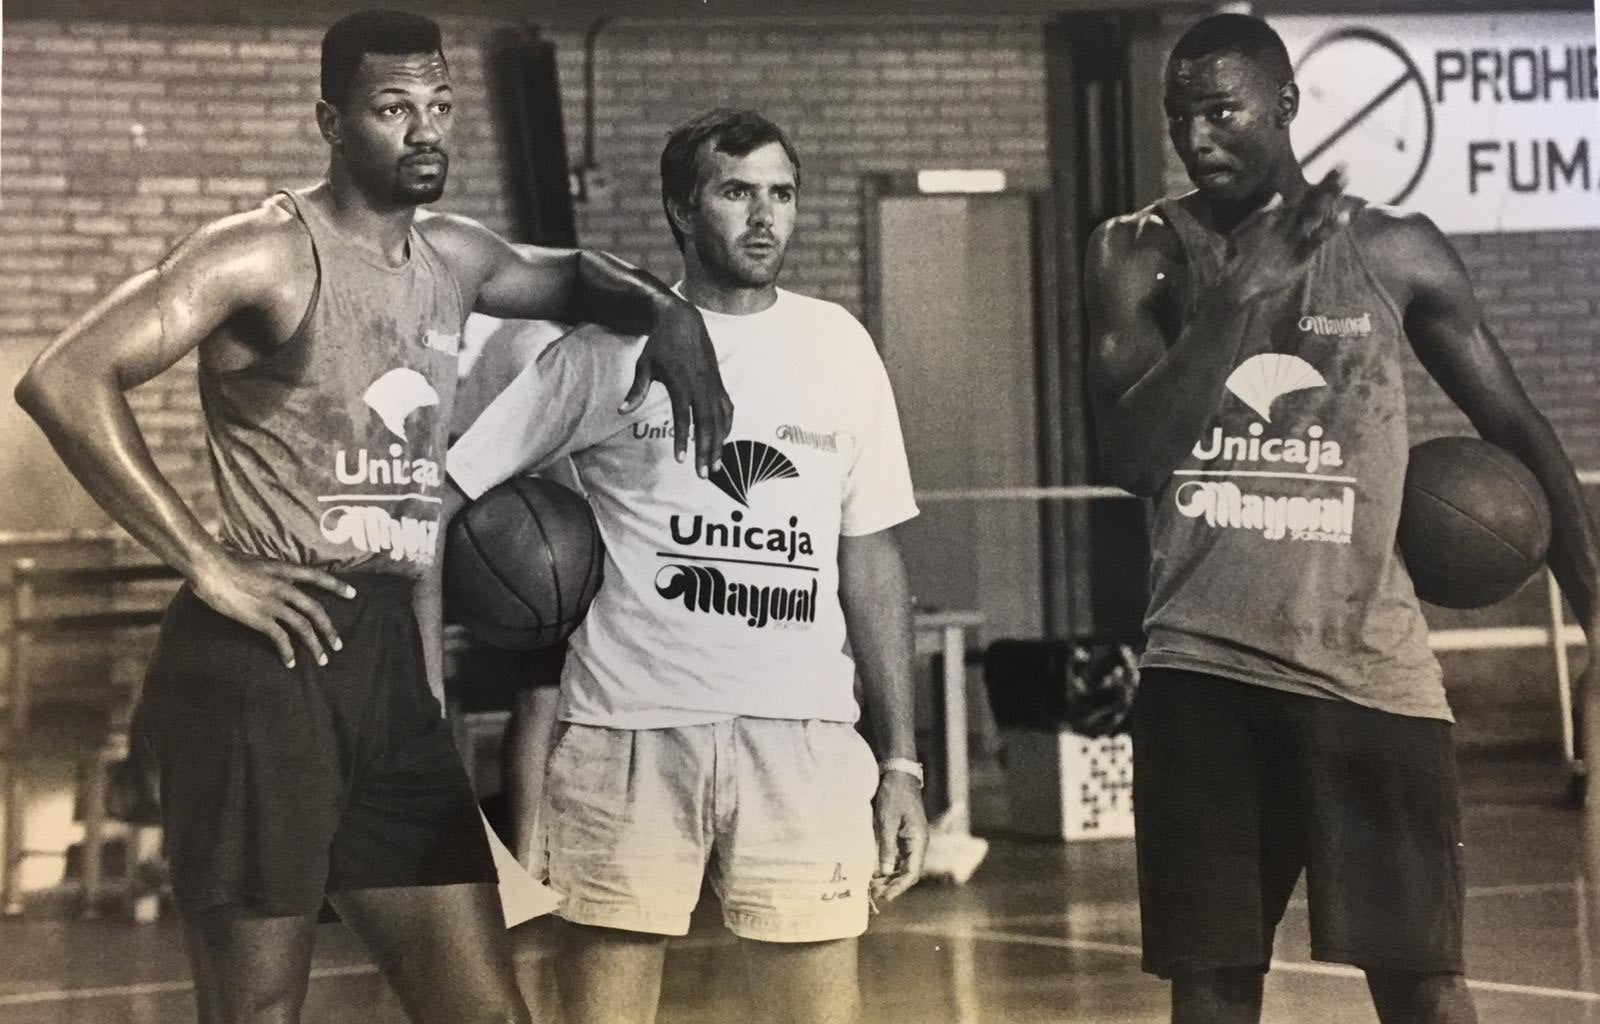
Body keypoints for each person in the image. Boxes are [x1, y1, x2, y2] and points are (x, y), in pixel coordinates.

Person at [13, 10, 730, 1024]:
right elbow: (65, 376)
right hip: (270, 659)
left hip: (390, 667)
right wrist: (208, 565)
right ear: (332, 121)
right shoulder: (261, 252)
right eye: (393, 109)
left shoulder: (456, 257)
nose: (425, 128)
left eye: (439, 105)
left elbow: (572, 278)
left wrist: (671, 313)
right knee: (259, 1010)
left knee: (484, 1011)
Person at [1084, 14, 1600, 1024]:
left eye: (1221, 111)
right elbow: (1128, 459)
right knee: (1213, 986)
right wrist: (1234, 303)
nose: (1196, 138)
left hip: (1369, 678)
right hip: (1202, 672)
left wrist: (1593, 605)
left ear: (1284, 105)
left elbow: (1517, 425)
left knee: (1422, 987)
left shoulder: (1392, 250)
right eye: (1178, 115)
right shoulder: (1133, 253)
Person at [434, 108, 928, 1024]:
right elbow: (452, 493)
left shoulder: (841, 349)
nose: (764, 217)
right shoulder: (598, 355)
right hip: (629, 729)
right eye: (736, 193)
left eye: (781, 194)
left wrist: (901, 760)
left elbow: (871, 555)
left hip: (803, 736)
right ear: (680, 210)